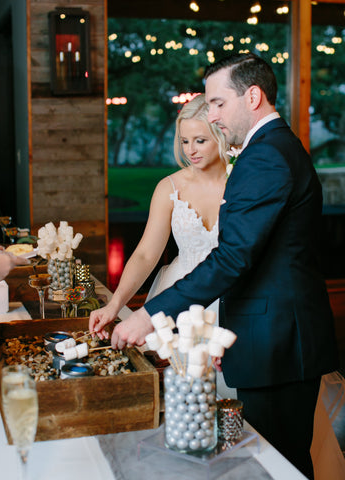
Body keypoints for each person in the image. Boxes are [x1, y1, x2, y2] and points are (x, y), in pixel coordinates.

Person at [97, 53, 339, 479]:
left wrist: (151, 314)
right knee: (266, 459)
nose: (212, 115)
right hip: (265, 334)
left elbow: (232, 257)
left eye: (218, 103)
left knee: (275, 465)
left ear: (253, 95)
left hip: (278, 343)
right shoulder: (275, 147)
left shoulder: (264, 156)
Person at [89, 93, 229, 339]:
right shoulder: (169, 188)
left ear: (220, 135)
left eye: (200, 140)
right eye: (185, 141)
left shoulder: (241, 185)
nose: (191, 151)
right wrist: (115, 304)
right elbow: (145, 254)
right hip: (178, 299)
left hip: (231, 298)